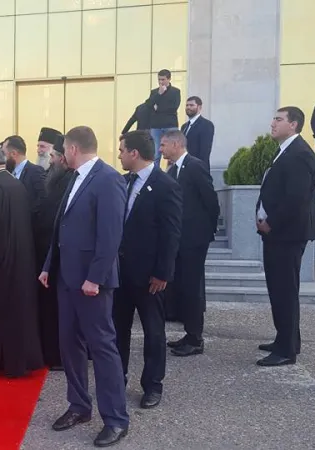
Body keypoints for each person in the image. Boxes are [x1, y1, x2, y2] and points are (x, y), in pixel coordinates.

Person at [39, 126, 129, 447]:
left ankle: (116, 419)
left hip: (92, 283)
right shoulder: (75, 178)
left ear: (74, 149)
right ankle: (79, 406)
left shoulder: (108, 179)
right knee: (70, 345)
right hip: (67, 279)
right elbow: (62, 226)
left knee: (102, 348)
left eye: (64, 150)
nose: (62, 155)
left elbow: (110, 235)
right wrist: (49, 266)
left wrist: (96, 277)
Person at [114, 131, 182, 409]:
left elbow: (171, 233)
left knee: (154, 332)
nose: (118, 155)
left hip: (150, 277)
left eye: (121, 150)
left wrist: (163, 273)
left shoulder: (165, 185)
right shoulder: (123, 182)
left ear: (134, 153)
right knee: (118, 330)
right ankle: (117, 379)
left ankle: (153, 385)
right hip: (120, 273)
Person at [0, 147, 43, 378]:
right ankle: (20, 360)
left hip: (0, 263)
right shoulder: (17, 185)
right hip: (21, 259)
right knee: (18, 313)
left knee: (0, 314)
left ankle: (1, 361)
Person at [255, 106, 315, 367]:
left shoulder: (299, 154)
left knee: (284, 290)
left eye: (278, 119)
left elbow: (297, 198)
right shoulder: (286, 152)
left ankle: (286, 350)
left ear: (293, 125)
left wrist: (271, 223)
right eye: (273, 118)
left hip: (286, 234)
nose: (272, 123)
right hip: (279, 234)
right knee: (280, 289)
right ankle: (288, 338)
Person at [160, 130, 220, 357]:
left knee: (193, 288)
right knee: (183, 287)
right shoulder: (173, 169)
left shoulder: (195, 166)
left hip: (193, 239)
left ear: (176, 144)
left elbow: (211, 200)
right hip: (179, 239)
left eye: (164, 145)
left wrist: (206, 231)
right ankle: (189, 333)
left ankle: (196, 338)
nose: (160, 149)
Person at [34, 134, 72, 370]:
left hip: (58, 253)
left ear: (62, 158)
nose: (51, 159)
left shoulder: (67, 179)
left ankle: (58, 355)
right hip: (46, 252)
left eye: (54, 156)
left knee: (58, 309)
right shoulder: (53, 176)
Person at [145, 69, 181, 164]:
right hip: (156, 126)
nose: (161, 82)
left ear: (169, 79)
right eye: (159, 79)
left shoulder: (175, 92)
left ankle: (171, 174)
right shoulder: (154, 92)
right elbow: (148, 105)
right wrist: (159, 94)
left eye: (163, 79)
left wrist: (158, 108)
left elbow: (173, 108)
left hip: (170, 125)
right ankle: (154, 175)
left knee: (172, 152)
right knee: (156, 153)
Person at [181, 96, 215, 169]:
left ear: (199, 107)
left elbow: (205, 151)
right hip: (184, 168)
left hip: (198, 168)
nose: (188, 107)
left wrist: (198, 167)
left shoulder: (206, 125)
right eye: (187, 105)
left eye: (191, 105)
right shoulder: (184, 127)